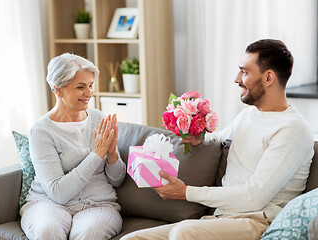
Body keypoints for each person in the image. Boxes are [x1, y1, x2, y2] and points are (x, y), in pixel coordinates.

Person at [121, 39, 314, 240]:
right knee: (132, 239)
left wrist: (185, 192)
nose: (237, 78)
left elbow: (253, 197)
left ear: (268, 78)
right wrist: (198, 138)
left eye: (245, 72)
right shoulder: (249, 116)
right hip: (221, 220)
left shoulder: (292, 130)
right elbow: (220, 138)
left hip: (256, 222)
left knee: (182, 233)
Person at [20, 53, 126, 240]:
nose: (89, 93)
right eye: (80, 87)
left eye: (91, 85)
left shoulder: (99, 119)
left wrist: (112, 154)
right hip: (48, 203)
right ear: (58, 89)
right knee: (47, 232)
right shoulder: (41, 131)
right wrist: (96, 155)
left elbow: (117, 180)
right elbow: (58, 192)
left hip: (97, 204)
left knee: (89, 235)